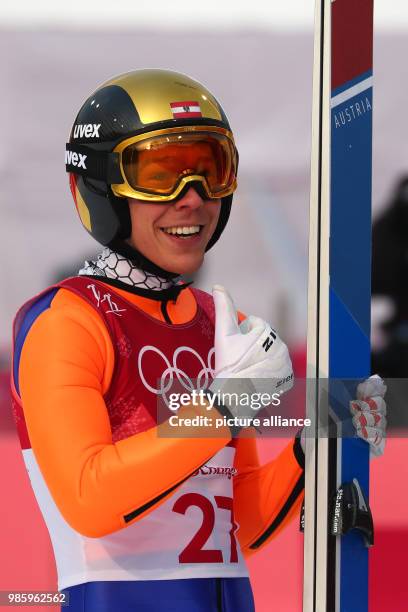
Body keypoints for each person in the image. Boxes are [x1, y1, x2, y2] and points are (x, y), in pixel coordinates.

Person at [11, 69, 386, 612]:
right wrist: (224, 408)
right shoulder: (69, 322)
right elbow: (88, 497)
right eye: (160, 174)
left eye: (210, 169)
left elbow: (245, 524)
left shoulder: (219, 325)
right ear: (100, 185)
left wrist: (314, 446)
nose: (193, 199)